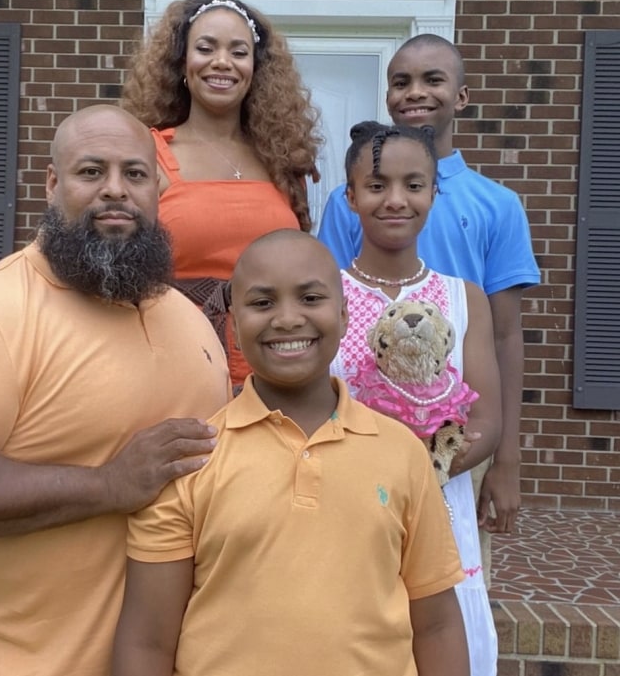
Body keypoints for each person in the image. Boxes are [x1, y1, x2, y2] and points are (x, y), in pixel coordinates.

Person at [0, 105, 231, 676]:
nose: (115, 190)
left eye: (134, 173)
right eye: (91, 172)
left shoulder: (189, 319)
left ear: (157, 188)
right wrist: (107, 485)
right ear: (53, 183)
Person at [111, 229, 471, 676]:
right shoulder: (190, 458)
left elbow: (436, 625)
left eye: (310, 299)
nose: (287, 319)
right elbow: (147, 640)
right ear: (234, 330)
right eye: (262, 303)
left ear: (343, 316)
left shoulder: (402, 454)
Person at [317, 34, 540, 552]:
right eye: (401, 81)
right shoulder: (346, 202)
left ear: (461, 96)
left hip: (461, 442)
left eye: (432, 79)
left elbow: (506, 338)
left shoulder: (497, 205)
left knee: (453, 580)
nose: (414, 92)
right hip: (359, 443)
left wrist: (506, 458)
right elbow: (328, 313)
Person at [329, 123, 502, 676]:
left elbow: (488, 420)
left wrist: (419, 477)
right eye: (377, 186)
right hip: (347, 505)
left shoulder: (462, 297)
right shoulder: (325, 294)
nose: (396, 200)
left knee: (443, 642)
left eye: (414, 184)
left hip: (439, 504)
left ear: (434, 193)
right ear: (351, 196)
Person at [121, 0, 322, 388]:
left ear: (255, 68)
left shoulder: (282, 162)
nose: (222, 62)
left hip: (272, 365)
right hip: (174, 361)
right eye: (205, 47)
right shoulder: (147, 153)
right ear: (182, 62)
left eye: (238, 51)